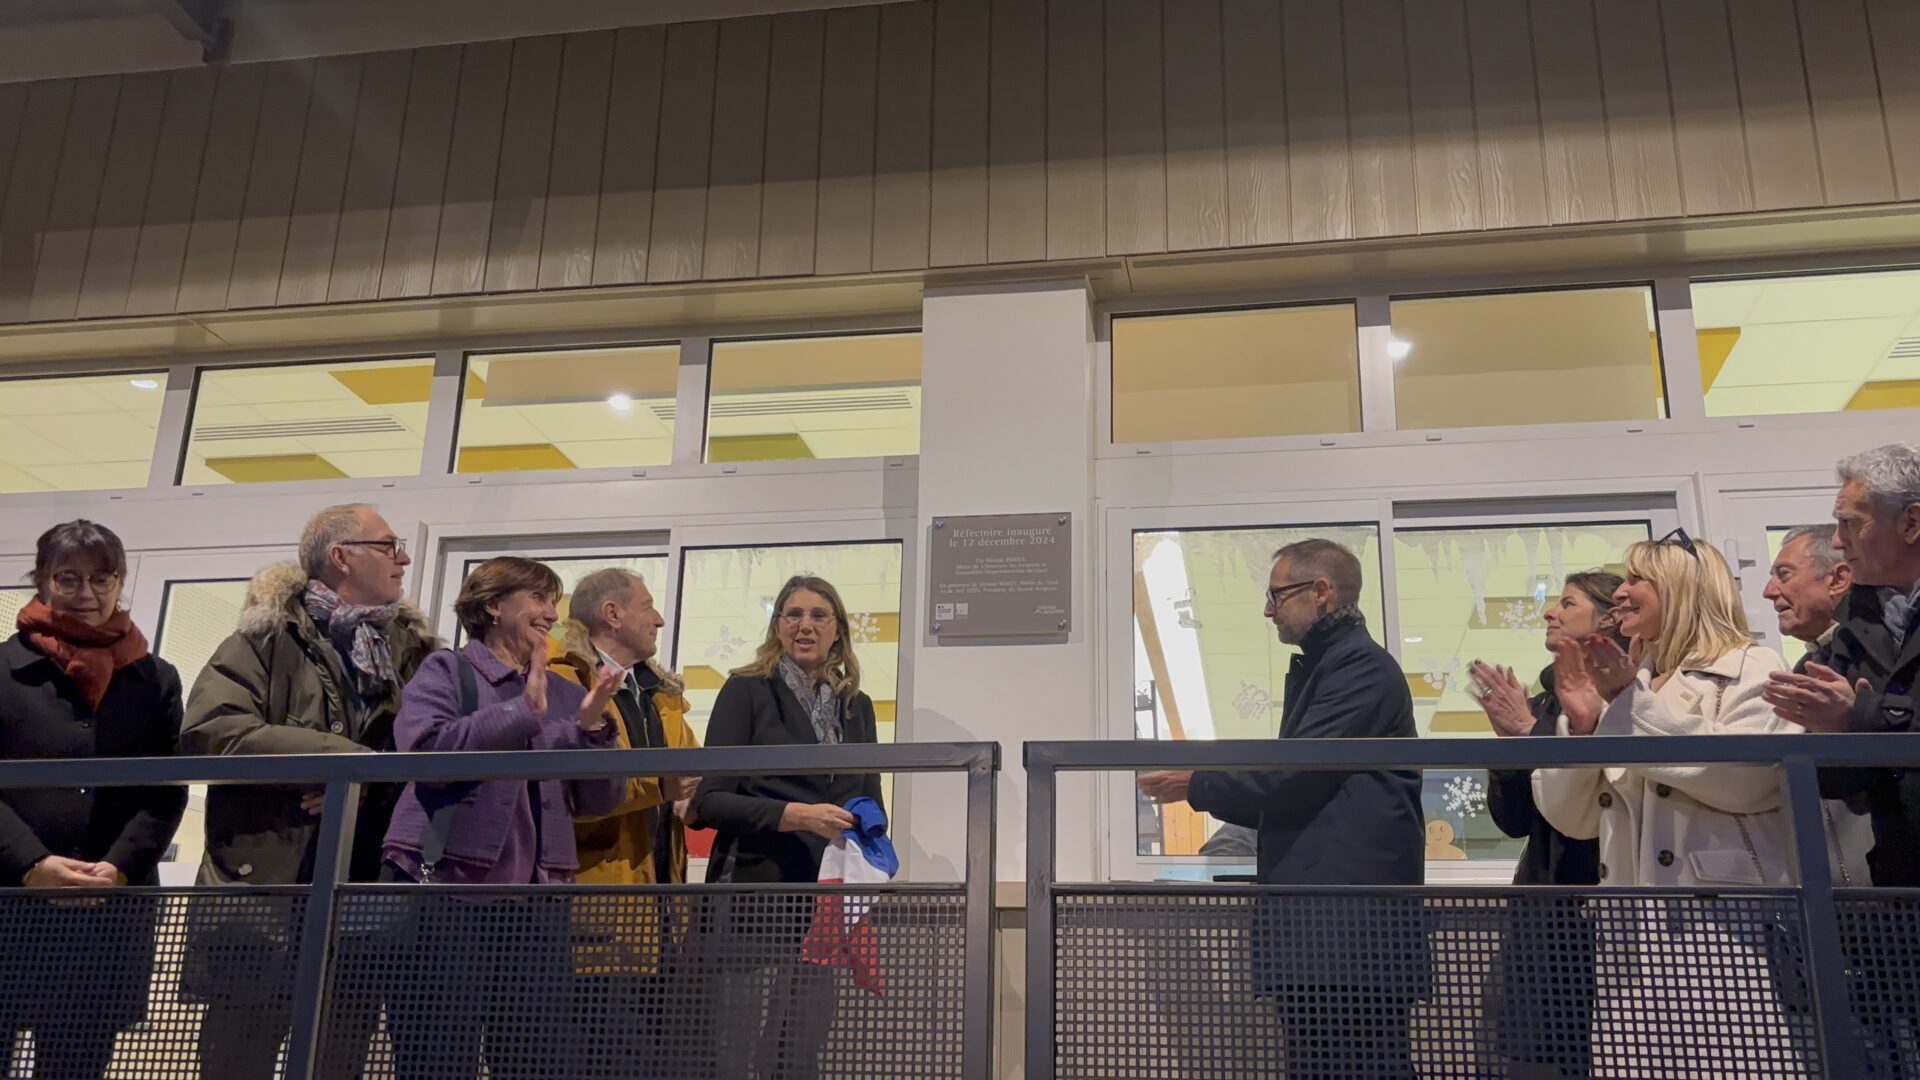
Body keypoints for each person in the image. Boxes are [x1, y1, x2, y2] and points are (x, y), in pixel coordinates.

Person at [1137, 539, 1423, 1080]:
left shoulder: (1359, 667)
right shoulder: (1333, 667)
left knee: (1357, 1065)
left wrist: (1196, 783)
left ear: (1321, 592)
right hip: (1330, 932)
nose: (1269, 610)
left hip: (1348, 938)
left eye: (1277, 595)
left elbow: (1292, 776)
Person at [180, 504, 436, 1078]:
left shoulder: (416, 653)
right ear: (341, 556)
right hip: (263, 893)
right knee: (235, 1061)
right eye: (389, 544)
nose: (404, 557)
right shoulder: (265, 637)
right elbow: (210, 732)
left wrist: (371, 786)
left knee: (336, 1061)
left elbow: (429, 761)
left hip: (362, 890)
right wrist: (348, 764)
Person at [1534, 531, 1804, 1076]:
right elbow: (1574, 819)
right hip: (1629, 945)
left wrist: (1625, 709)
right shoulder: (1627, 681)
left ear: (1679, 590)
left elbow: (1746, 781)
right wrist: (1585, 727)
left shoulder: (1753, 666)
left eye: (1637, 580)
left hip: (1727, 940)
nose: (1621, 593)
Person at [377, 556, 628, 1079]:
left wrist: (592, 730)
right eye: (538, 598)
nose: (550, 614)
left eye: (553, 602)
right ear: (492, 605)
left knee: (539, 1062)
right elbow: (425, 751)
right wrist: (521, 712)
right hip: (445, 891)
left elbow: (600, 800)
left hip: (537, 905)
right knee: (437, 1059)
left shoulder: (564, 690)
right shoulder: (447, 670)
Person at [0, 521, 186, 1080]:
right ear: (39, 580)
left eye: (103, 580)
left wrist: (119, 869)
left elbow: (166, 790)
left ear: (120, 582)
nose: (86, 596)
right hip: (8, 899)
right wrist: (32, 865)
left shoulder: (156, 678)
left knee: (79, 1065)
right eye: (68, 579)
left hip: (106, 911)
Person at [692, 574, 885, 1080]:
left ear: (838, 630)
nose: (805, 625)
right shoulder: (747, 690)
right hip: (753, 892)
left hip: (824, 897)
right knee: (732, 1054)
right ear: (777, 626)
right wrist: (794, 816)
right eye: (792, 614)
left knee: (800, 1052)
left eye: (818, 615)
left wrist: (870, 832)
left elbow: (870, 795)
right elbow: (710, 801)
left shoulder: (856, 704)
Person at [552, 568, 702, 1079]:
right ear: (612, 614)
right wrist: (661, 787)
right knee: (593, 1060)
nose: (659, 619)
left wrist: (695, 794)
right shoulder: (564, 680)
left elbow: (691, 772)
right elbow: (565, 790)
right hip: (592, 916)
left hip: (660, 918)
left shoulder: (661, 692)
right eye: (648, 606)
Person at [1472, 571, 1619, 1079]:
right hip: (1542, 903)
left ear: (1606, 620)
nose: (1550, 613)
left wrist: (1531, 734)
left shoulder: (1623, 698)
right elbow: (1515, 820)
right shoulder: (1542, 702)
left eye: (1567, 603)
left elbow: (1598, 802)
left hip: (1596, 904)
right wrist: (1513, 744)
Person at [1764, 444, 1920, 885]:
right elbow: (1843, 786)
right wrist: (1829, 732)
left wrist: (1857, 717)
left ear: (1912, 522)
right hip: (1899, 888)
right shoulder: (1856, 623)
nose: (1837, 541)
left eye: (1849, 523)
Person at [1762, 524, 1873, 886]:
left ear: (1838, 579)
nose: (1769, 591)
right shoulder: (1807, 666)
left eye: (1784, 574)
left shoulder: (1877, 655)